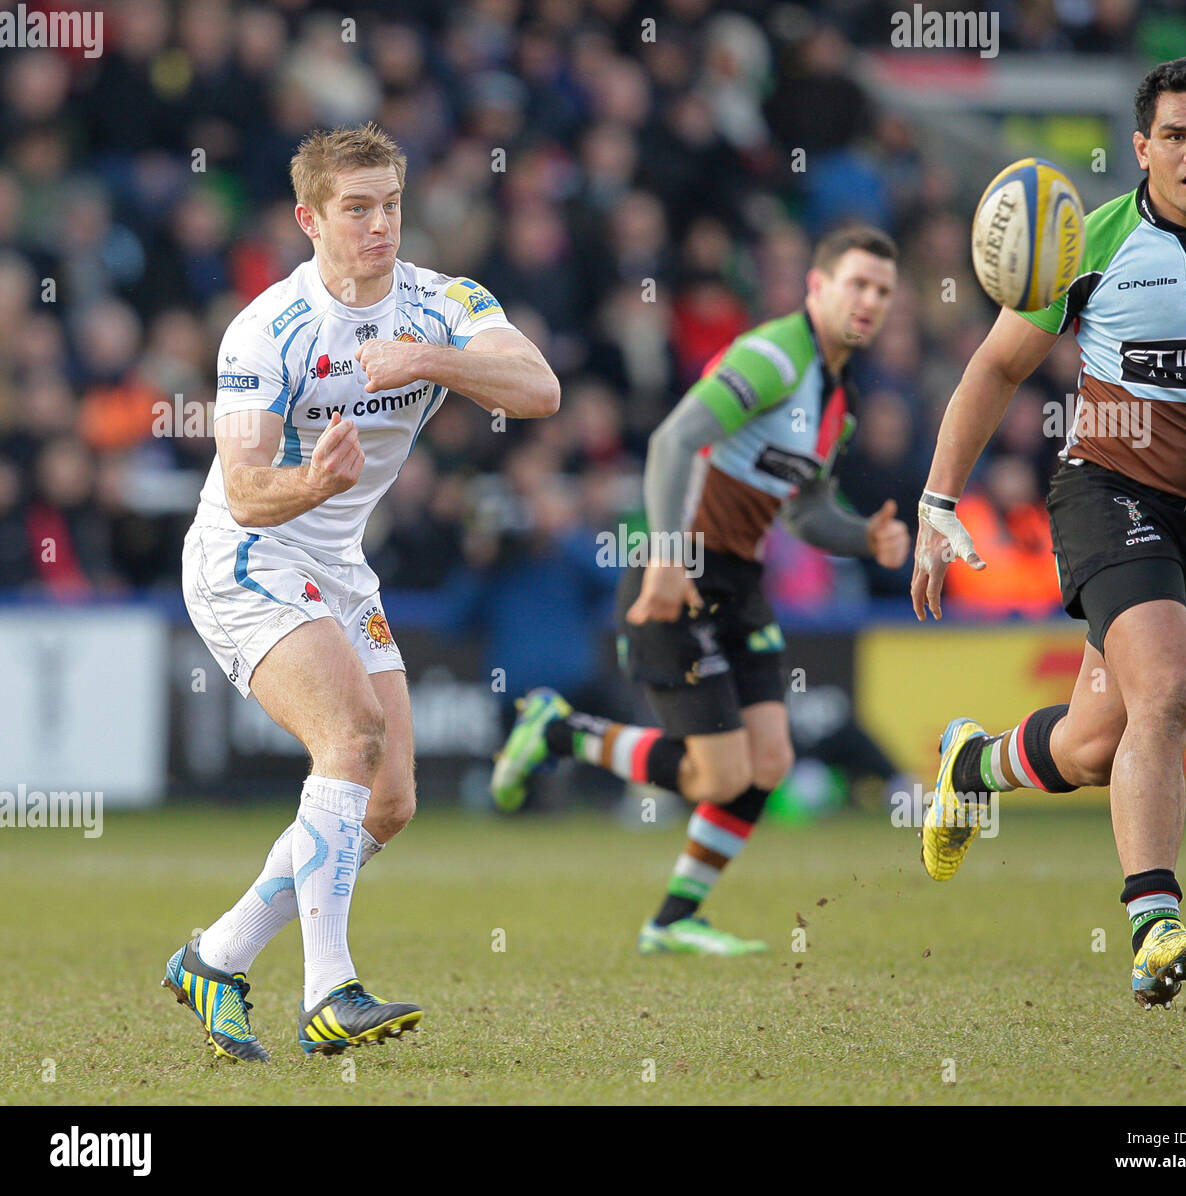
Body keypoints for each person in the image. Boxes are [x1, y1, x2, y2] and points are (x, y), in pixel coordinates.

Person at [909, 59, 1186, 1008]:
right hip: (1106, 490)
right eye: (1175, 135)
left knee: (1093, 747)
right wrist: (936, 504)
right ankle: (1153, 928)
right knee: (1169, 687)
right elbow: (996, 370)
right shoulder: (1090, 241)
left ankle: (975, 763)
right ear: (1141, 147)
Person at [164, 123, 559, 1060]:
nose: (379, 225)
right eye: (356, 209)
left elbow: (538, 387)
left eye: (390, 204)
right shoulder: (267, 329)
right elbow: (251, 491)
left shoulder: (442, 302)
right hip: (245, 557)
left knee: (387, 802)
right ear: (309, 218)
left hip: (339, 565)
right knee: (349, 736)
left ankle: (214, 959)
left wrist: (431, 361)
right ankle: (329, 990)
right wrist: (318, 484)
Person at [491, 225, 910, 954]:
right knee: (718, 774)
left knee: (770, 762)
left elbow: (806, 508)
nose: (869, 301)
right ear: (818, 287)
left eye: (882, 289)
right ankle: (557, 729)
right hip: (679, 573)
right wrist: (665, 555)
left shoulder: (835, 400)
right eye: (856, 284)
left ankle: (674, 918)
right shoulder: (775, 356)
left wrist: (862, 537)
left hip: (739, 581)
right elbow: (673, 442)